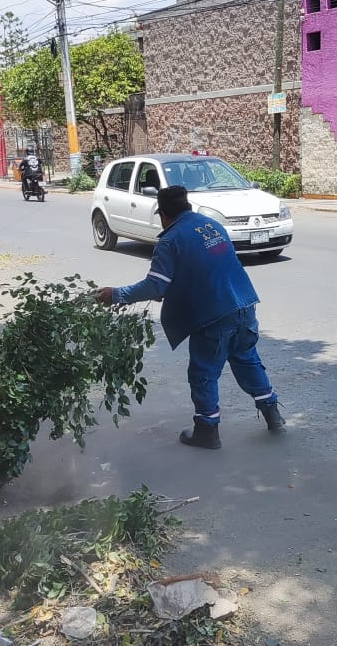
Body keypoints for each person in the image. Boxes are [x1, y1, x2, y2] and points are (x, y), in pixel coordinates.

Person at [95, 185, 284, 449]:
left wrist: (116, 294)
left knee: (203, 374)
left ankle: (207, 430)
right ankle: (272, 414)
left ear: (163, 214)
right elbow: (206, 265)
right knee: (247, 360)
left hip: (214, 315)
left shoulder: (170, 240)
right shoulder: (211, 225)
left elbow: (155, 286)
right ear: (187, 207)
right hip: (244, 305)